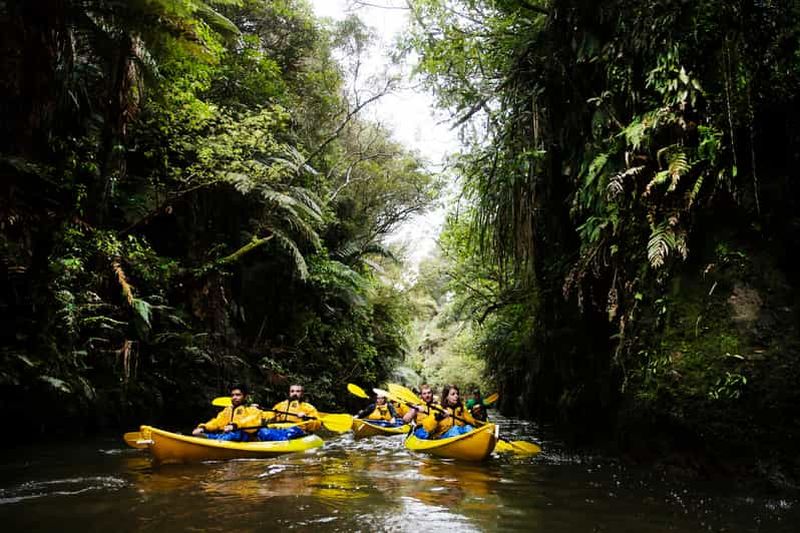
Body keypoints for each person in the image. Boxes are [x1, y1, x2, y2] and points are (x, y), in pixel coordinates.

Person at [192, 385, 262, 441]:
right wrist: (203, 427)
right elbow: (217, 422)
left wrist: (235, 425)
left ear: (245, 397)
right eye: (232, 395)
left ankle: (216, 442)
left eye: (238, 395)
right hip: (227, 435)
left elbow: (251, 421)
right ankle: (206, 438)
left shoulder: (253, 409)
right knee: (207, 434)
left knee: (233, 434)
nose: (234, 397)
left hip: (245, 435)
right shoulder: (227, 410)